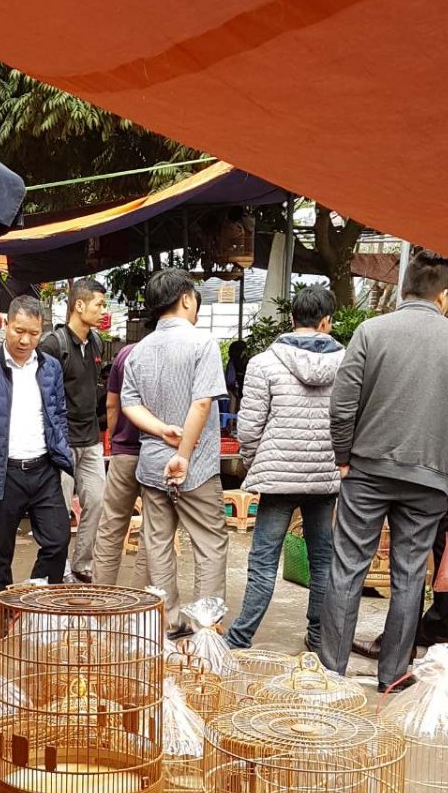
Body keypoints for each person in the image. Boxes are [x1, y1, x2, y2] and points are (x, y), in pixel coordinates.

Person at [320, 250, 448, 691]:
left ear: (405, 288)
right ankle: (393, 676)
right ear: (444, 296)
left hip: (367, 470)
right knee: (410, 575)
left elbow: (342, 405)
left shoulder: (371, 331)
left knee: (347, 567)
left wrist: (343, 456)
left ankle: (331, 672)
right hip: (432, 477)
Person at [223, 286, 343, 652]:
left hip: (277, 479)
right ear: (327, 322)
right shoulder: (348, 363)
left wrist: (257, 462)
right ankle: (318, 637)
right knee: (322, 560)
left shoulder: (264, 363)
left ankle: (240, 637)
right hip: (325, 477)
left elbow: (248, 427)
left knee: (263, 561)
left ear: (291, 319)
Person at [122, 268, 229, 637]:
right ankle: (205, 629)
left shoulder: (138, 351)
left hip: (153, 464)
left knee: (157, 543)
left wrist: (160, 429)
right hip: (195, 466)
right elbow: (201, 403)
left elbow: (130, 404)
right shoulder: (203, 343)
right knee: (209, 544)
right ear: (186, 298)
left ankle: (168, 623)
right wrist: (183, 453)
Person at [0, 295, 73, 597]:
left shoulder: (51, 368)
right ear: (6, 325)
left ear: (41, 331)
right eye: (19, 330)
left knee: (58, 540)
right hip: (2, 473)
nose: (25, 340)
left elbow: (58, 413)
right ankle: (5, 611)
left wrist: (61, 448)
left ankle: (35, 600)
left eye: (33, 333)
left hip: (44, 468)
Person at [42, 278, 108, 582]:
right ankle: (60, 566)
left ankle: (82, 565)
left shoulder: (96, 342)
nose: (103, 311)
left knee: (97, 500)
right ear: (79, 305)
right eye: (99, 304)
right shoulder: (53, 345)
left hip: (90, 438)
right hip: (62, 440)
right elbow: (43, 396)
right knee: (60, 508)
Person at [91, 341, 148, 588]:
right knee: (153, 533)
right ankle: (144, 602)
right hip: (159, 455)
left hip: (124, 453)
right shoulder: (175, 352)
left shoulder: (125, 353)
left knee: (111, 528)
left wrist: (116, 439)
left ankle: (101, 597)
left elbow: (111, 405)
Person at [225, 339, 249, 412]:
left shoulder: (232, 361)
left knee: (234, 399)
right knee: (238, 400)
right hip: (239, 385)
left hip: (234, 385)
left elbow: (229, 377)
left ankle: (231, 418)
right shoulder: (244, 360)